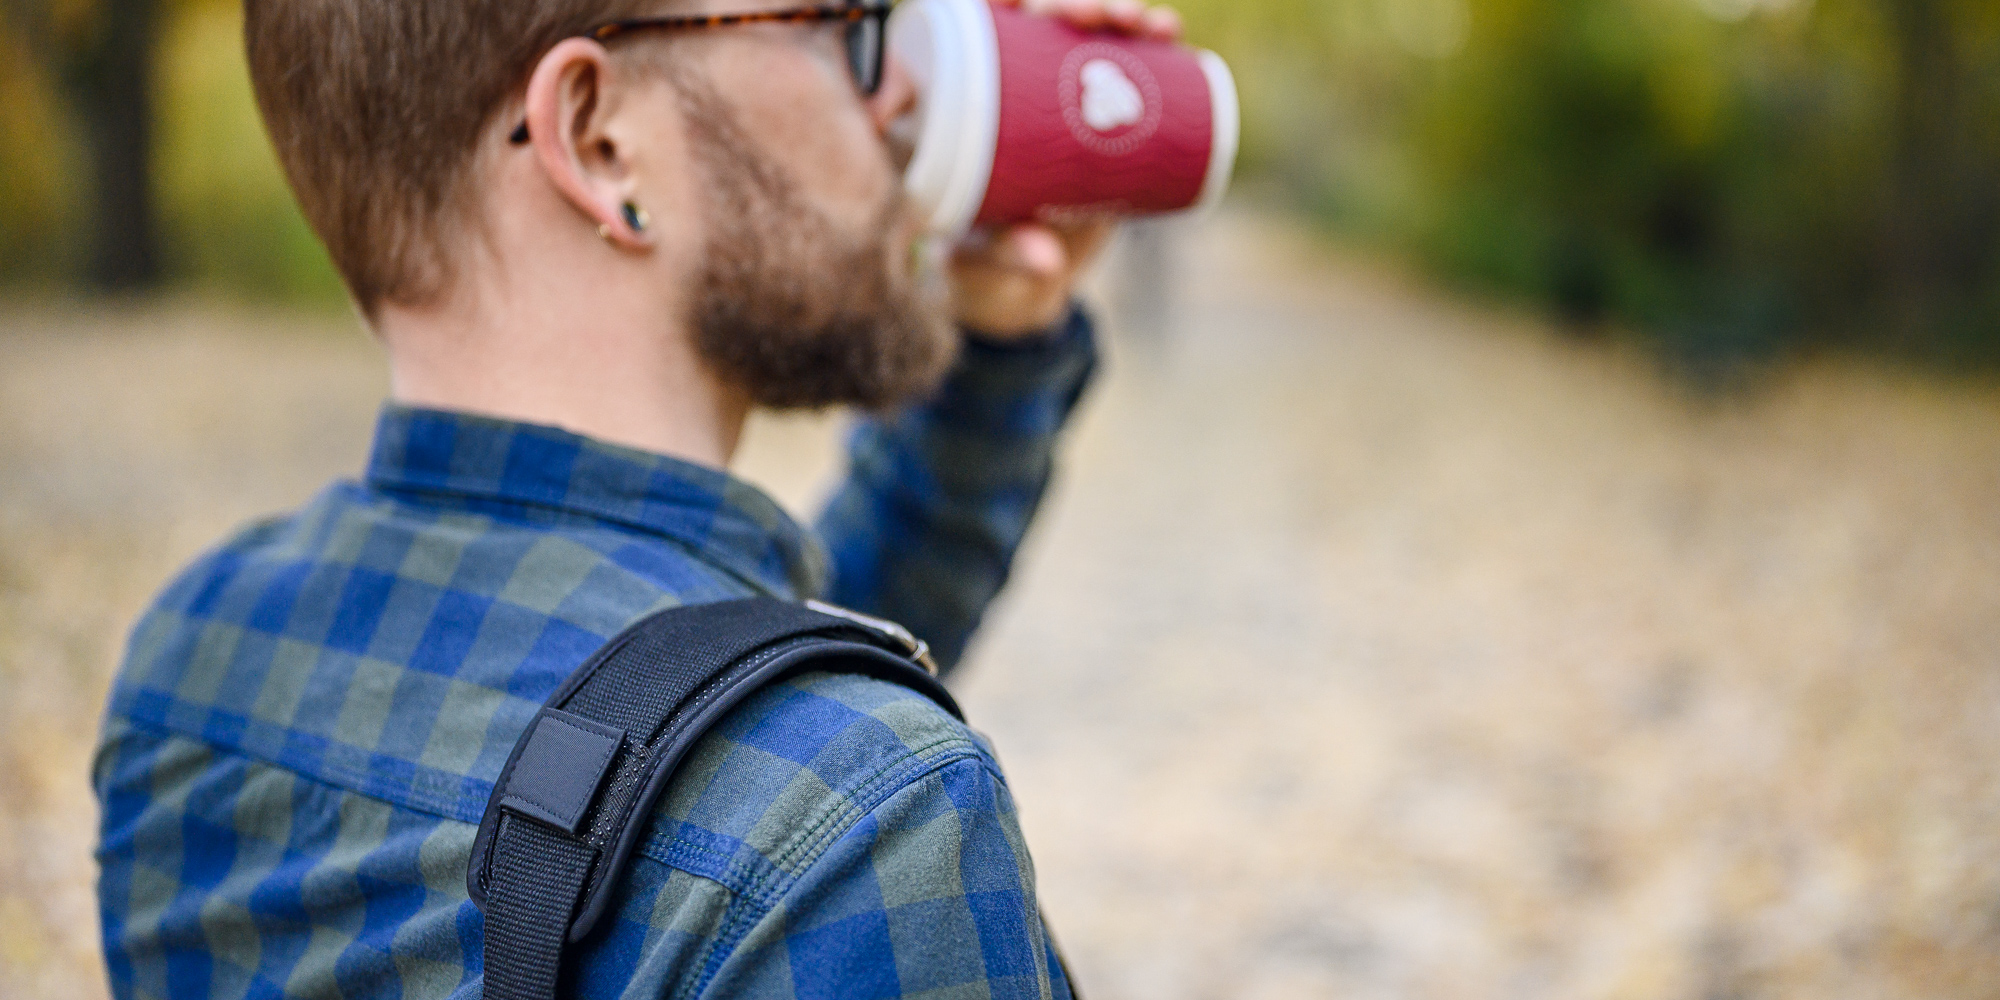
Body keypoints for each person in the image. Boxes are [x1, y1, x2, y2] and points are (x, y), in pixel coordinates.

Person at [91, 0, 1184, 996]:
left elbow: (704, 689)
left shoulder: (191, 666)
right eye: (846, 27)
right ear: (596, 135)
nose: (895, 88)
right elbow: (740, 752)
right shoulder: (872, 819)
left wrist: (992, 347)